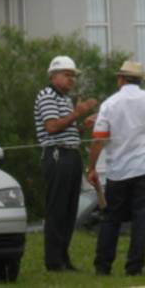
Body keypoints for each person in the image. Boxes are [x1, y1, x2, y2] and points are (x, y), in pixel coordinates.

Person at [87, 60, 145, 277]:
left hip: (118, 170)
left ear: (120, 79)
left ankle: (102, 266)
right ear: (139, 80)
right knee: (141, 218)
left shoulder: (110, 104)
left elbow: (98, 140)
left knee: (111, 218)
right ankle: (134, 268)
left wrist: (91, 167)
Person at [33, 55, 97, 272]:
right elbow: (52, 127)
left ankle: (63, 257)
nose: (72, 80)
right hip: (56, 155)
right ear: (54, 76)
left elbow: (67, 129)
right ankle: (53, 260)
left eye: (73, 76)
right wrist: (77, 113)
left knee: (69, 209)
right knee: (57, 208)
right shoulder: (47, 95)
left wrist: (83, 124)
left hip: (70, 154)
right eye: (67, 75)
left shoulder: (64, 99)